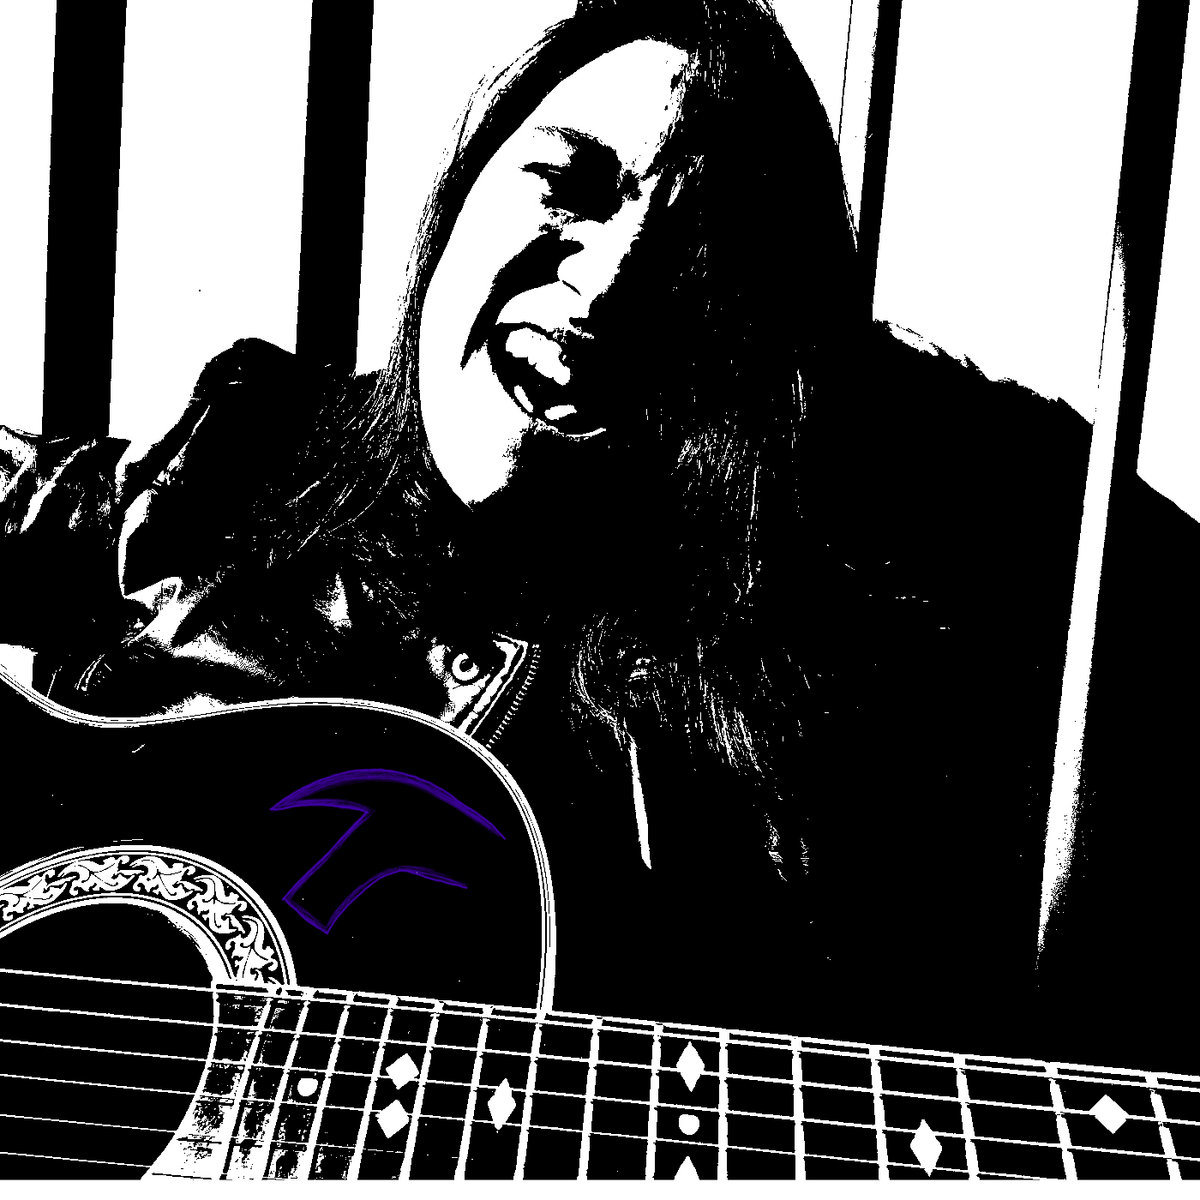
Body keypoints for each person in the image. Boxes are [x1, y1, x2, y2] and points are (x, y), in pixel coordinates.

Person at [1, 0, 1190, 1064]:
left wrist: (836, 382)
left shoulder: (747, 713)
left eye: (697, 258)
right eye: (567, 185)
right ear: (461, 195)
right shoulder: (250, 453)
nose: (609, 283)